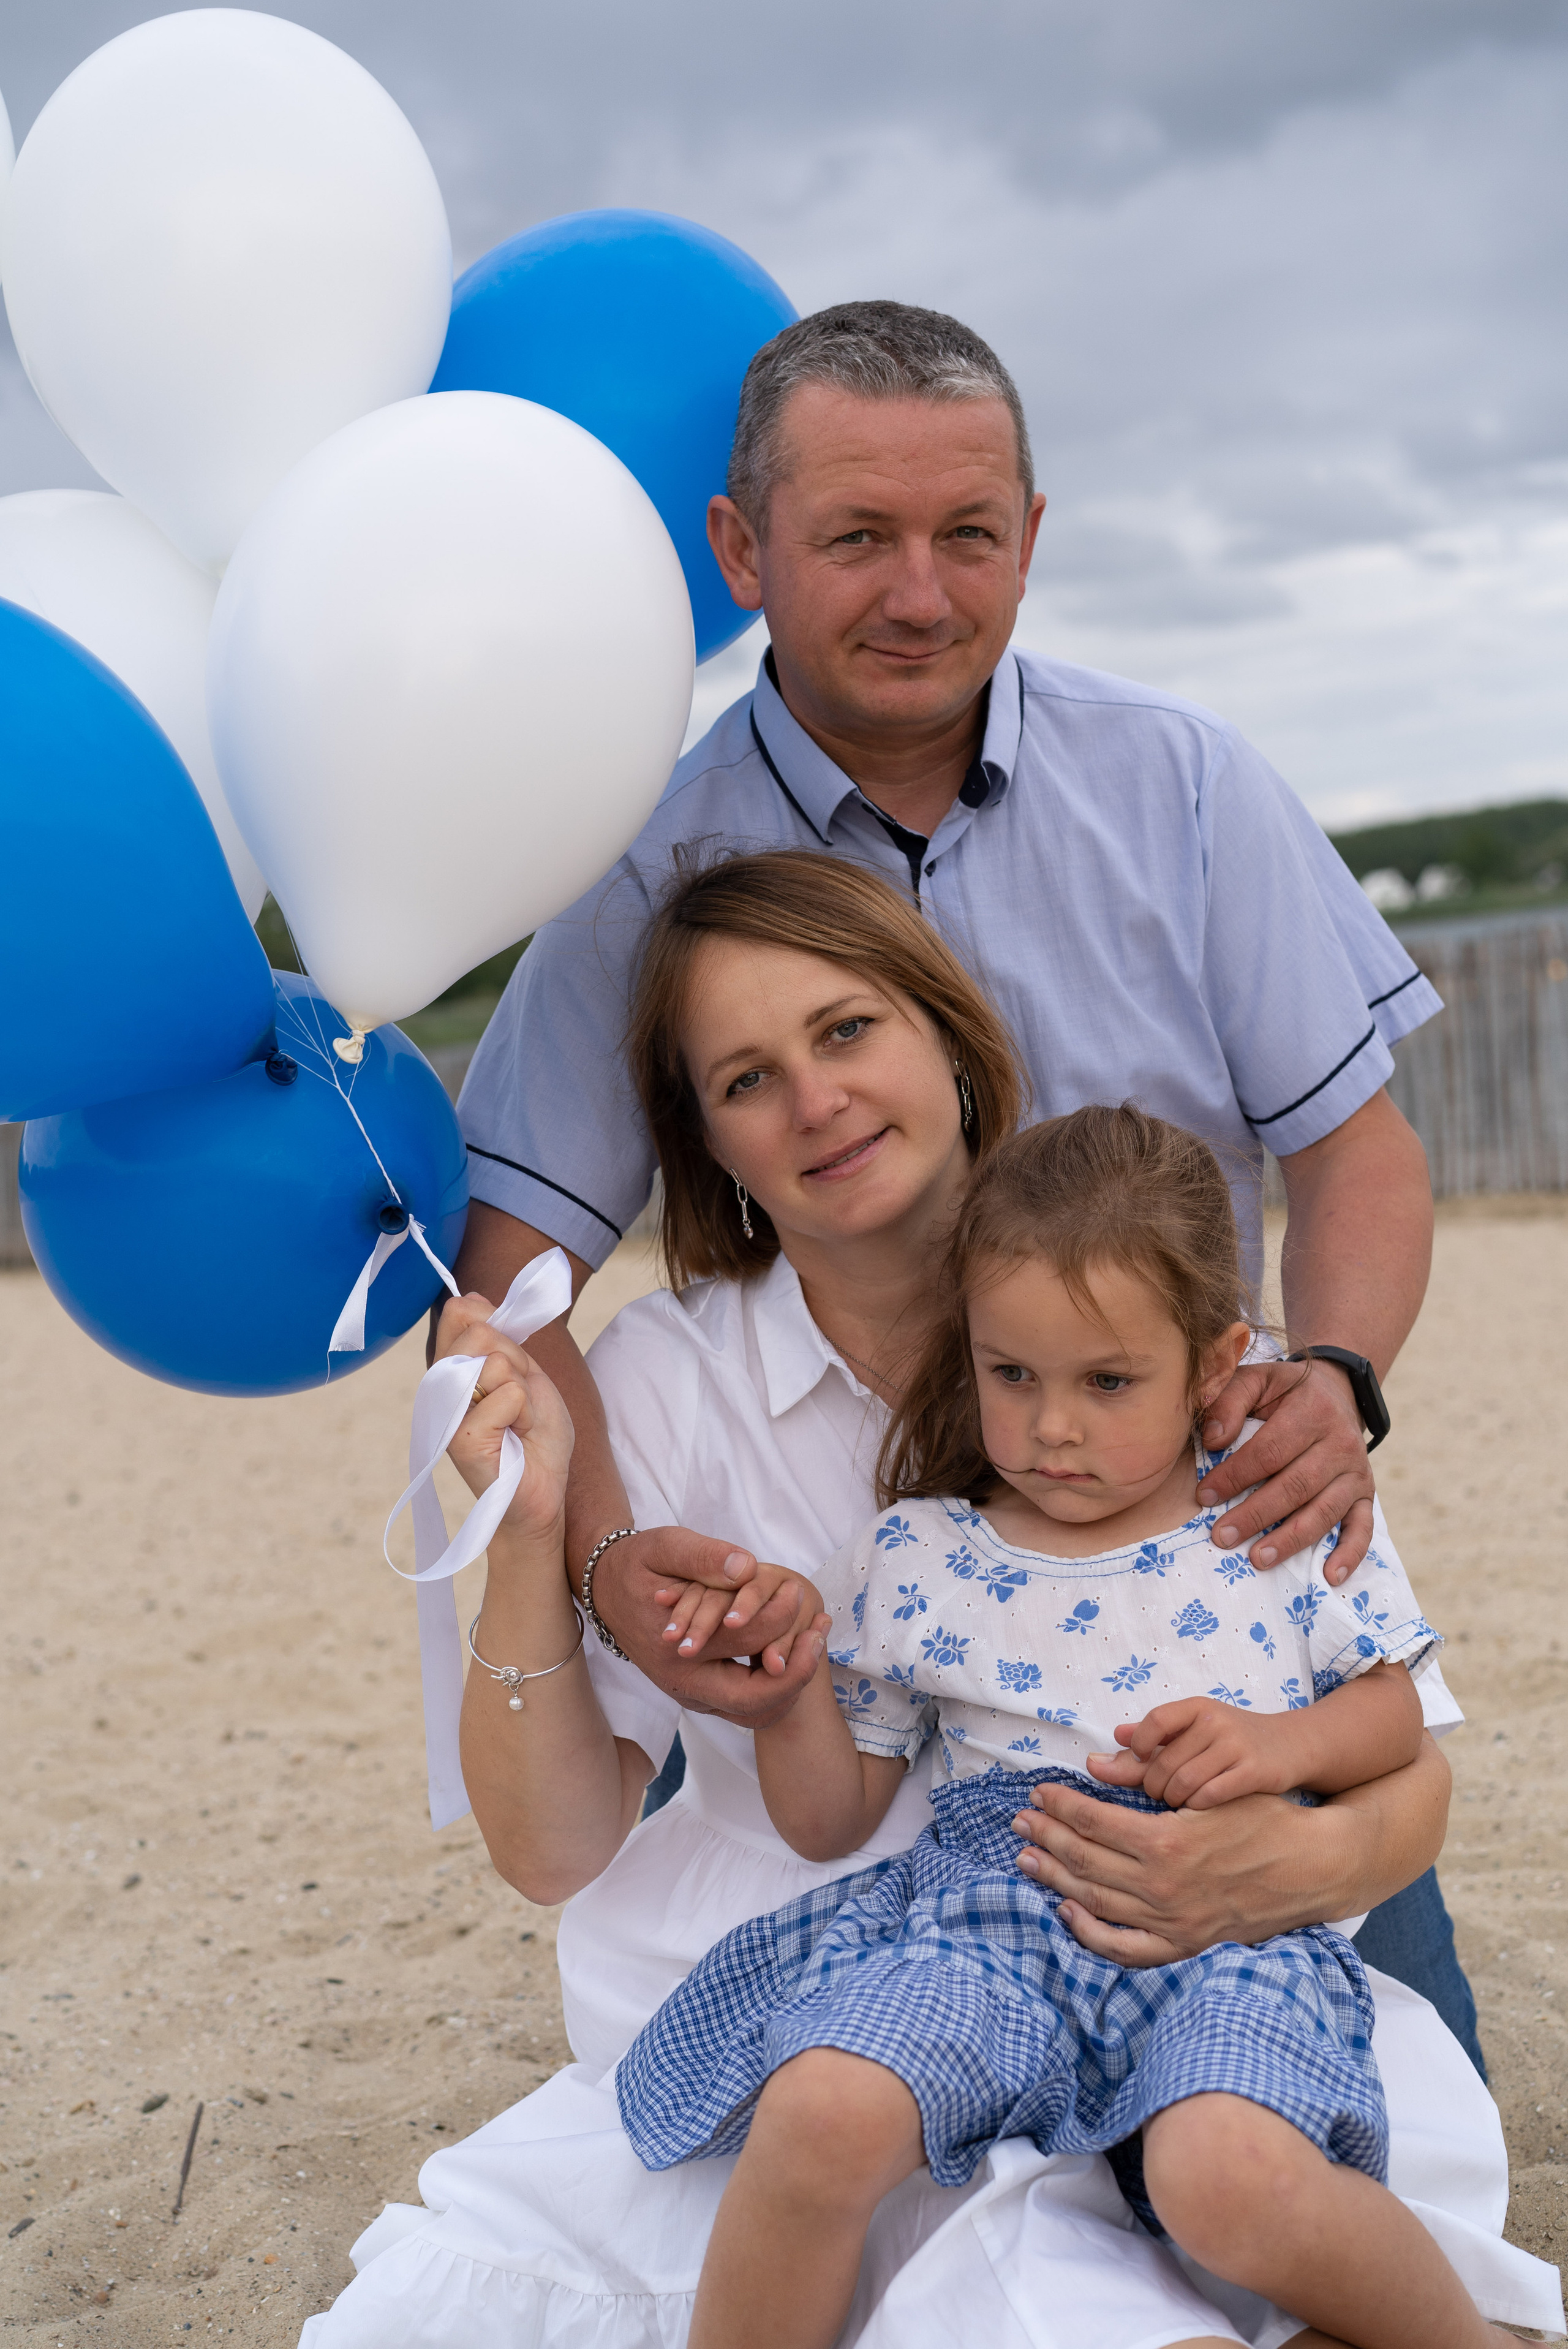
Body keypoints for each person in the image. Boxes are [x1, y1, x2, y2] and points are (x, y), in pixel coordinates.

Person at [301, 857, 1561, 2348]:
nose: (815, 1101)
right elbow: (559, 1847)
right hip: (882, 1994)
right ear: (703, 1139)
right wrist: (531, 1533)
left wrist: (1272, 1846)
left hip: (1204, 1961)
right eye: (746, 1078)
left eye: (845, 1032)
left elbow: (1402, 1762)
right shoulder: (664, 1386)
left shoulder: (1220, 1399)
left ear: (949, 1040)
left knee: (1200, 2223)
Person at [448, 298, 1471, 2043]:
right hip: (867, 1628)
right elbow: (506, 1289)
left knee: (1379, 2148)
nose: (922, 593)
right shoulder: (637, 870)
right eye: (857, 538)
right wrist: (610, 1570)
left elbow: (1358, 1156)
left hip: (1196, 1565)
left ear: (1033, 537)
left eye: (969, 536)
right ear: (742, 549)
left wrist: (1336, 1380)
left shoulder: (1190, 783)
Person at [616, 1106, 1509, 2349]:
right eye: (1010, 1375)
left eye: (1106, 1382)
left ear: (1212, 1363)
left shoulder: (1272, 1513)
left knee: (1227, 2179)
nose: (1050, 1428)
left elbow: (1397, 1712)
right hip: (989, 1920)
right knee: (819, 2111)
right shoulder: (914, 1556)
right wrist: (783, 1707)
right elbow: (830, 1821)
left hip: (1227, 1936)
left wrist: (1278, 1751)